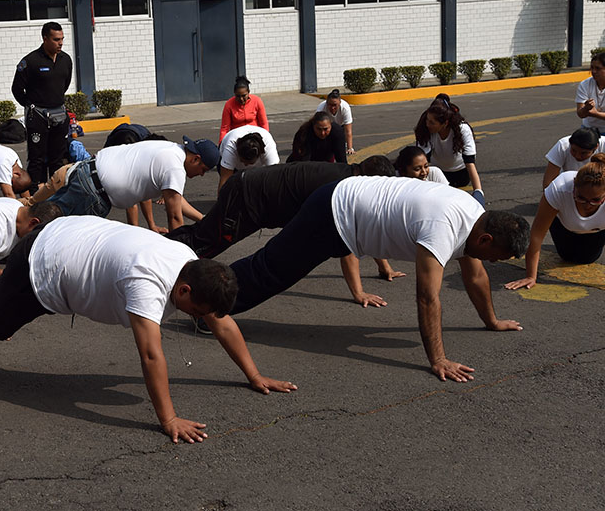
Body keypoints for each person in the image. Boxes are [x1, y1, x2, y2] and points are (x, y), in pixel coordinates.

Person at [0, 216, 296, 443]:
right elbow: (151, 354)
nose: (201, 319)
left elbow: (223, 322)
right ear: (184, 291)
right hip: (45, 259)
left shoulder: (194, 269)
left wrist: (255, 375)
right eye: (197, 312)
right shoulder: (148, 283)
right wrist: (168, 419)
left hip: (76, 238)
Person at [229, 177, 529, 382]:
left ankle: (208, 294)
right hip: (333, 212)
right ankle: (208, 303)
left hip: (351, 205)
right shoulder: (443, 227)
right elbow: (427, 296)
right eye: (496, 257)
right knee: (272, 271)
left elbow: (475, 275)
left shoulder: (476, 216)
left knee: (274, 270)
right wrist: (438, 359)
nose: (491, 262)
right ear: (486, 238)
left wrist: (492, 321)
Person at [167, 157, 405, 314]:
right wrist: (358, 292)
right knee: (205, 244)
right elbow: (349, 242)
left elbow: (361, 234)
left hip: (252, 195)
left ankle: (163, 258)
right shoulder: (344, 188)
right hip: (246, 198)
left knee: (201, 238)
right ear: (370, 179)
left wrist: (384, 269)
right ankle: (175, 281)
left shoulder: (346, 177)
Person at [49, 137, 218, 231]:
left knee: (46, 214)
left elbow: (176, 199)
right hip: (93, 193)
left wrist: (202, 219)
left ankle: (23, 229)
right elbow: (174, 217)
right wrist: (180, 255)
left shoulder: (171, 149)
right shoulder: (175, 168)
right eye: (203, 169)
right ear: (196, 159)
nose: (202, 175)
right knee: (54, 230)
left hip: (87, 174)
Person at [506, 155, 605, 290]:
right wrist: (531, 276)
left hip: (597, 231)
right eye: (581, 198)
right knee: (567, 256)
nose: (588, 205)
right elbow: (536, 235)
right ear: (574, 184)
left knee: (585, 258)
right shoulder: (560, 188)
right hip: (564, 226)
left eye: (595, 200)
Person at [11, 21, 73, 192]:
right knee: (37, 160)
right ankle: (35, 197)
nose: (60, 43)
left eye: (62, 39)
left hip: (59, 115)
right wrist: (30, 105)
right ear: (45, 39)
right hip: (37, 117)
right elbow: (16, 88)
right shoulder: (30, 61)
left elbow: (64, 84)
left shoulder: (65, 60)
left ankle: (55, 194)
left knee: (57, 158)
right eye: (56, 39)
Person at [413, 93, 482, 194]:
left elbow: (470, 162)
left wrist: (478, 192)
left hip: (461, 174)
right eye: (427, 120)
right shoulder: (425, 129)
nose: (427, 124)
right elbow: (422, 160)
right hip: (438, 173)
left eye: (432, 122)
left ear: (445, 123)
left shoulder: (462, 129)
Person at [216, 125, 278, 192]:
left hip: (258, 168)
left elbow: (275, 181)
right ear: (237, 152)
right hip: (232, 163)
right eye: (242, 161)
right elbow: (224, 181)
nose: (245, 165)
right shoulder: (230, 148)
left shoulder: (268, 149)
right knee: (233, 191)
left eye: (250, 163)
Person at [219, 76, 267, 142]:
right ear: (234, 93)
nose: (241, 99)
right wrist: (221, 143)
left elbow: (263, 123)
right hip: (237, 138)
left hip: (255, 137)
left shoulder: (257, 101)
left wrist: (265, 138)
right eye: (238, 96)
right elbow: (225, 128)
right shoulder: (228, 104)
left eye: (244, 96)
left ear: (248, 92)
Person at [316, 89, 356, 154]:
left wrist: (350, 148)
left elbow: (348, 131)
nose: (332, 108)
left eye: (335, 105)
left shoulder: (345, 108)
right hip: (327, 126)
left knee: (339, 143)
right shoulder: (321, 108)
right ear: (326, 103)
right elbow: (316, 126)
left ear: (340, 103)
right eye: (330, 105)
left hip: (341, 126)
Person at [575, 52, 605, 132]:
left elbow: (593, 113)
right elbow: (580, 113)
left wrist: (595, 114)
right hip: (589, 130)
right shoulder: (585, 84)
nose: (594, 71)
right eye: (592, 67)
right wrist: (586, 108)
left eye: (598, 68)